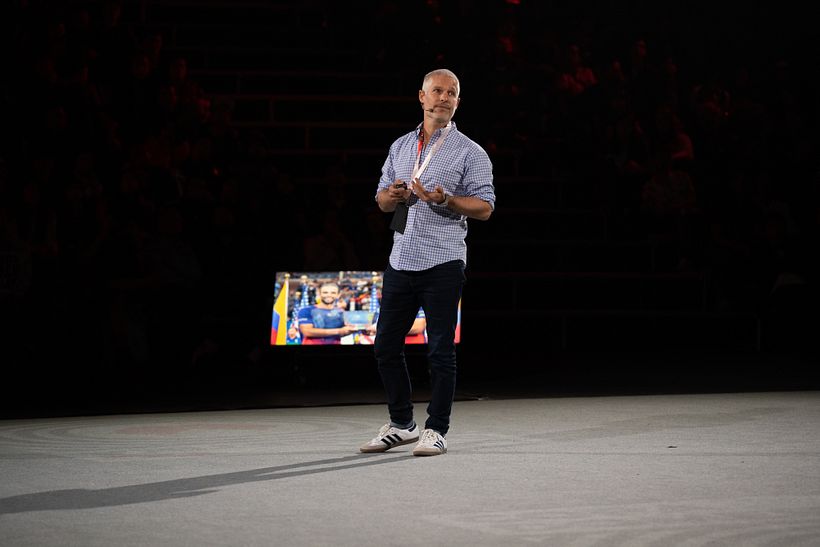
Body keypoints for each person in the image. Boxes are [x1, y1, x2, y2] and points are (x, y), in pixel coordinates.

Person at [359, 69, 495, 457]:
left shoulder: (471, 152)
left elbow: (485, 207)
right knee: (385, 346)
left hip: (443, 262)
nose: (444, 98)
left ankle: (436, 429)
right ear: (421, 96)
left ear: (458, 101)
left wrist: (446, 199)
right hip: (402, 259)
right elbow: (381, 201)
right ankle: (402, 423)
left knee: (439, 351)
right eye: (437, 91)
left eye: (452, 93)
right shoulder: (400, 147)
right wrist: (395, 193)